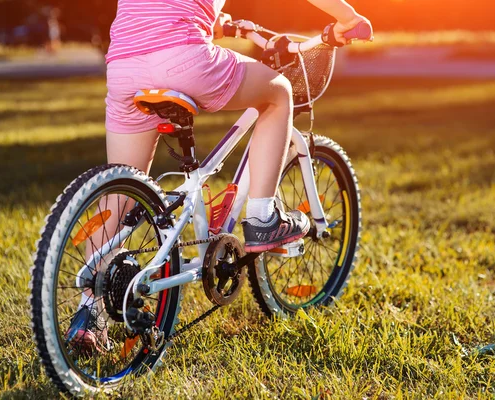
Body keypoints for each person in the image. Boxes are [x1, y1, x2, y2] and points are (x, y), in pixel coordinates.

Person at [69, 0, 371, 351]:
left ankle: (87, 317)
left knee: (117, 200)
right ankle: (262, 217)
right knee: (278, 94)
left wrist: (219, 21)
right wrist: (348, 18)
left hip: (123, 65)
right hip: (181, 60)